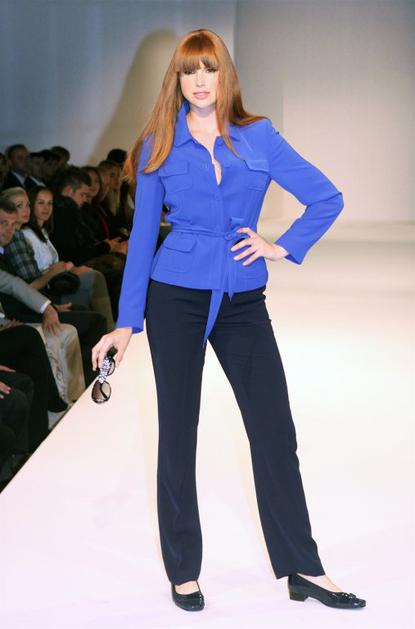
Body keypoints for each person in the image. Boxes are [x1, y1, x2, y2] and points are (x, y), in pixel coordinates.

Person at [91, 29, 365, 611]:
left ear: (225, 76)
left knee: (274, 431)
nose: (199, 81)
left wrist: (281, 246)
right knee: (178, 433)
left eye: (209, 69)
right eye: (189, 71)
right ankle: (183, 570)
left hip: (242, 299)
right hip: (176, 297)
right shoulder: (158, 143)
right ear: (177, 79)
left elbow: (326, 197)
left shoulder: (258, 136)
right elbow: (142, 239)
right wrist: (126, 323)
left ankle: (303, 567)